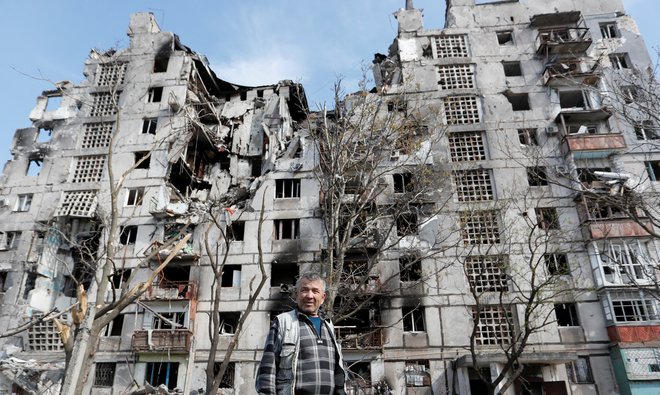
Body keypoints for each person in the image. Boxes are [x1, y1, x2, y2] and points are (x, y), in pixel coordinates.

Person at [256, 271, 347, 395]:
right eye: (304, 290)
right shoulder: (284, 322)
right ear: (296, 295)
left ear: (323, 298)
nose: (309, 296)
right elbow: (267, 370)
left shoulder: (329, 326)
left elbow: (338, 374)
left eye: (315, 291)